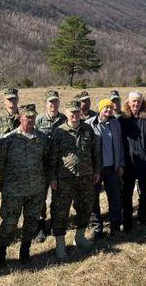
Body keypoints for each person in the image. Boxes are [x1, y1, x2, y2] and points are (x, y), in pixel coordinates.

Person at [0, 104, 50, 268]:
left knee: (31, 221)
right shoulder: (8, 139)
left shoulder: (42, 138)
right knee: (9, 223)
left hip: (35, 189)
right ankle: (1, 255)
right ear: (20, 118)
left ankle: (25, 253)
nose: (31, 120)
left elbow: (46, 160)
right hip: (13, 190)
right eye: (27, 117)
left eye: (33, 117)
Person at [50, 101, 101, 260]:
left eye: (77, 112)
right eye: (71, 112)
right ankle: (60, 244)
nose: (74, 115)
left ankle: (79, 236)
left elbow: (95, 152)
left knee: (86, 207)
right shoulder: (59, 132)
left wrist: (97, 171)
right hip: (64, 179)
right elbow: (52, 158)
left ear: (80, 112)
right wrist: (52, 177)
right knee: (60, 211)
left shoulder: (88, 129)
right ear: (66, 112)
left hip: (86, 177)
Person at [86, 99, 126, 237]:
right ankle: (97, 227)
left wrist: (120, 164)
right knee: (94, 199)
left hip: (112, 168)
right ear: (100, 109)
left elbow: (120, 145)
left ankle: (115, 225)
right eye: (106, 107)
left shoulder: (115, 124)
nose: (108, 110)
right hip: (96, 169)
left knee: (114, 197)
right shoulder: (90, 124)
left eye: (110, 107)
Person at [33, 90, 67, 243]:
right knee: (40, 197)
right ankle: (40, 227)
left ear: (59, 103)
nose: (53, 104)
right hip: (41, 165)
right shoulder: (39, 120)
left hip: (60, 165)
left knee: (58, 197)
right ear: (45, 104)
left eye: (55, 101)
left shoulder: (65, 119)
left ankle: (55, 224)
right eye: (50, 102)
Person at [119, 92, 146, 232]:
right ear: (128, 102)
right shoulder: (122, 119)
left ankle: (143, 218)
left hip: (145, 163)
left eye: (138, 101)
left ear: (142, 102)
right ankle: (127, 221)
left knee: (145, 193)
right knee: (126, 194)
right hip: (128, 163)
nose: (136, 104)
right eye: (133, 101)